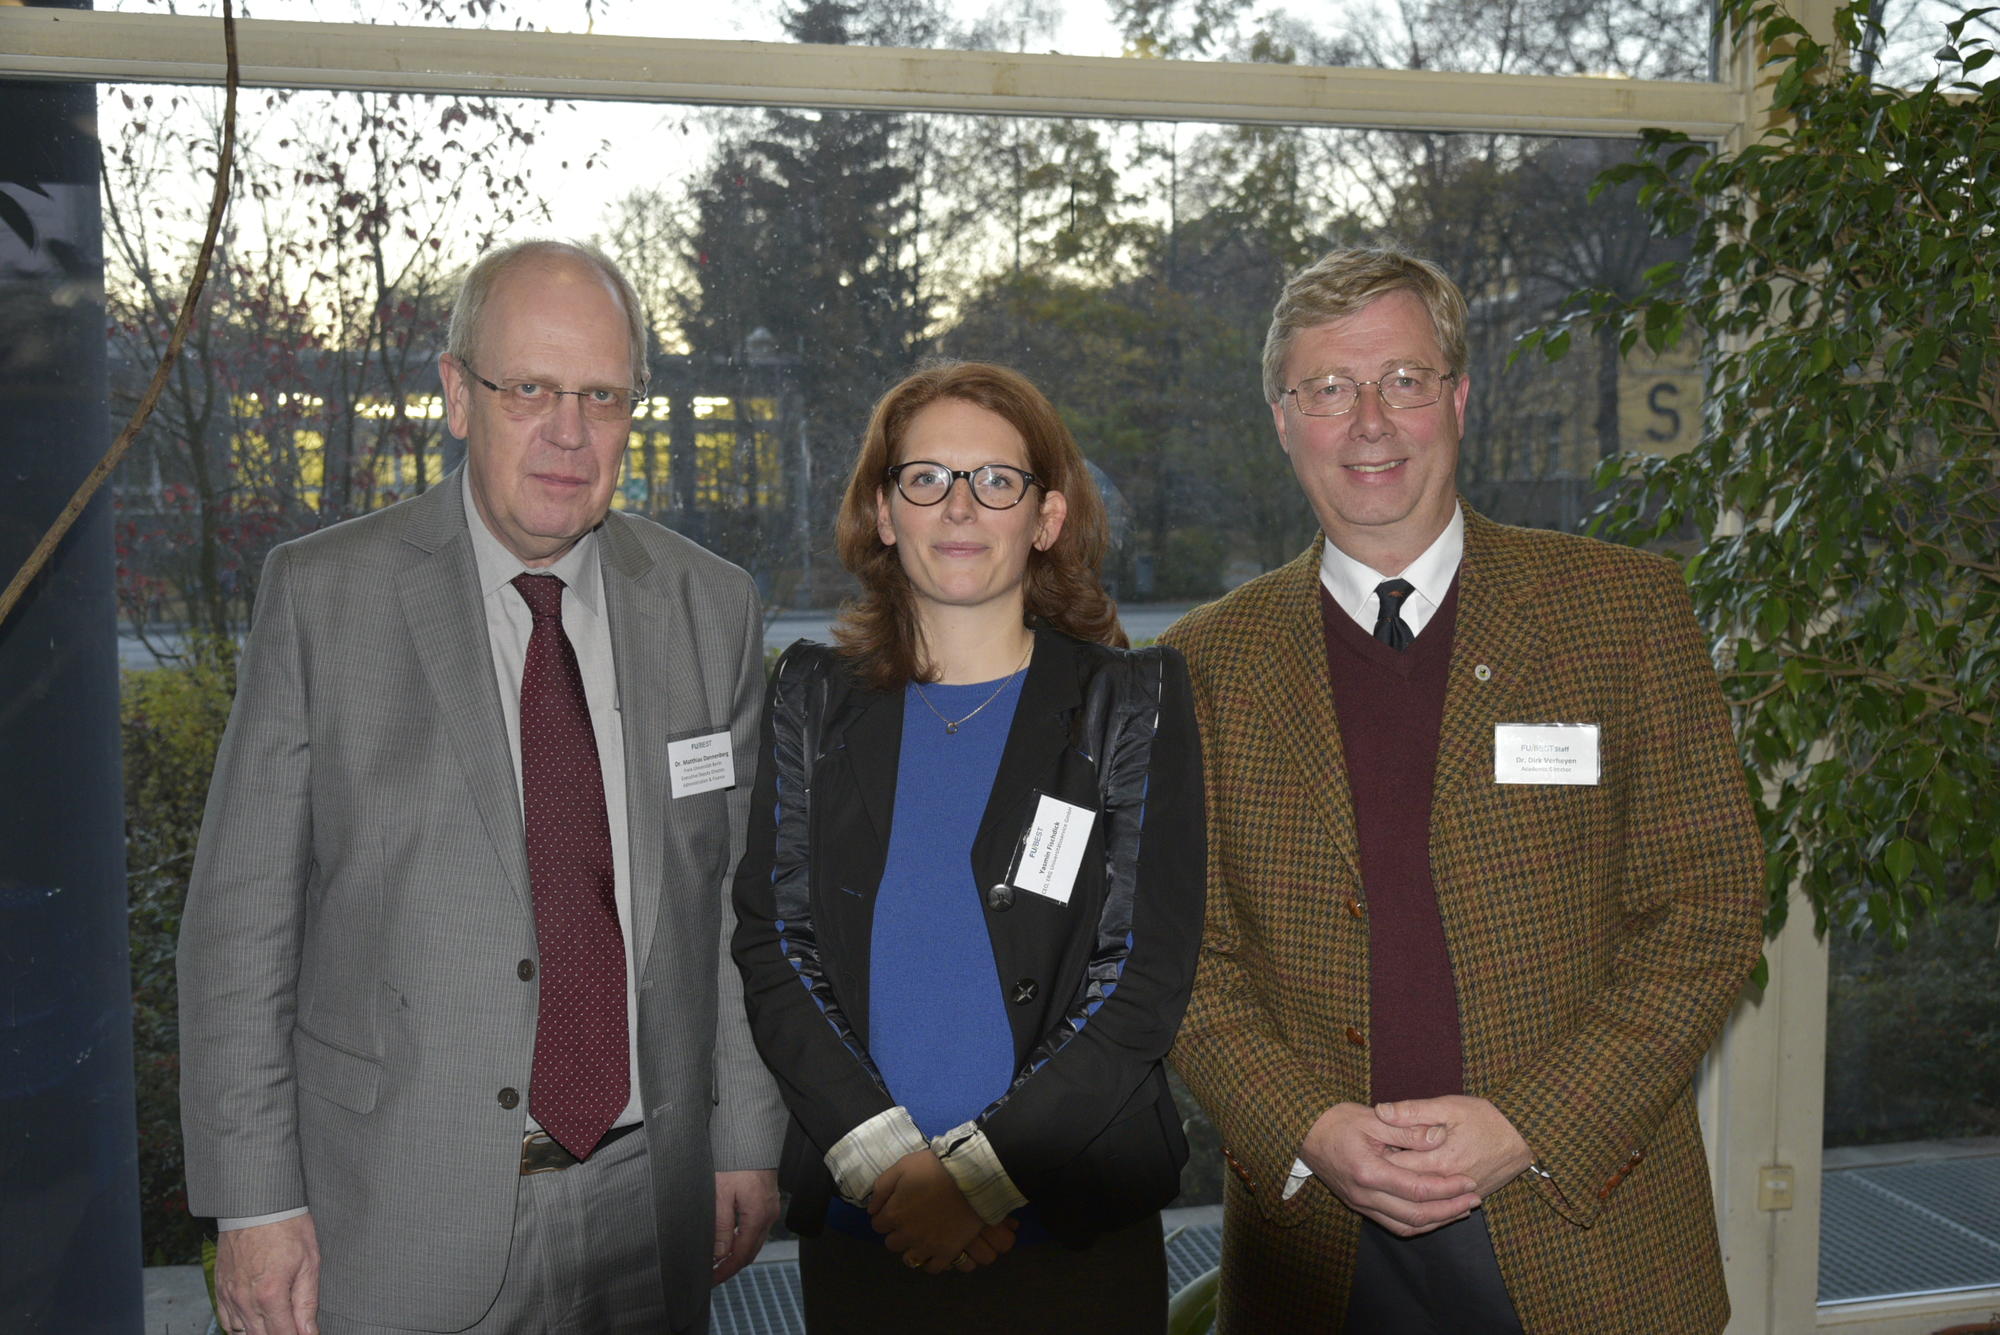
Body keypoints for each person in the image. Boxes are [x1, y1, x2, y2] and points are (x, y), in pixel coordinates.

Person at [177, 239, 785, 1335]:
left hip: (652, 1201)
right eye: (531, 388)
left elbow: (736, 900)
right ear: (458, 394)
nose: (567, 429)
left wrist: (744, 1134)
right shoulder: (326, 597)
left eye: (602, 395)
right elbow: (238, 929)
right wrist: (255, 1201)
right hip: (397, 1203)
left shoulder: (711, 607)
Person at [1161, 248, 1764, 1333]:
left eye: (1402, 379)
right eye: (1327, 390)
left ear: (1457, 398)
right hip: (1317, 1245)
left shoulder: (1619, 612)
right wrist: (1303, 1124)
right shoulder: (1205, 662)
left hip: (1586, 1217)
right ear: (1281, 420)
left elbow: (1707, 905)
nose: (1368, 423)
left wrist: (1532, 1121)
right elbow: (1182, 955)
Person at [731, 361, 1205, 1334]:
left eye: (994, 480)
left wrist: (980, 1181)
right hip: (872, 1225)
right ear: (882, 509)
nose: (958, 506)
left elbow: (1139, 976)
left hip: (1068, 1227)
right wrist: (888, 1168)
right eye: (925, 478)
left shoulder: (1131, 701)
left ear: (1044, 517)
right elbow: (774, 945)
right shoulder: (811, 697)